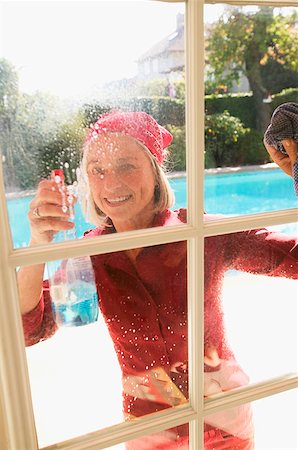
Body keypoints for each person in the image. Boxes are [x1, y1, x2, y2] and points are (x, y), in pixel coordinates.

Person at [18, 111, 298, 450]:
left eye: (126, 165)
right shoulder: (88, 254)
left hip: (224, 423)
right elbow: (27, 329)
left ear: (155, 172)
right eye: (98, 170)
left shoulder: (203, 232)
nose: (111, 183)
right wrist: (37, 242)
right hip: (149, 433)